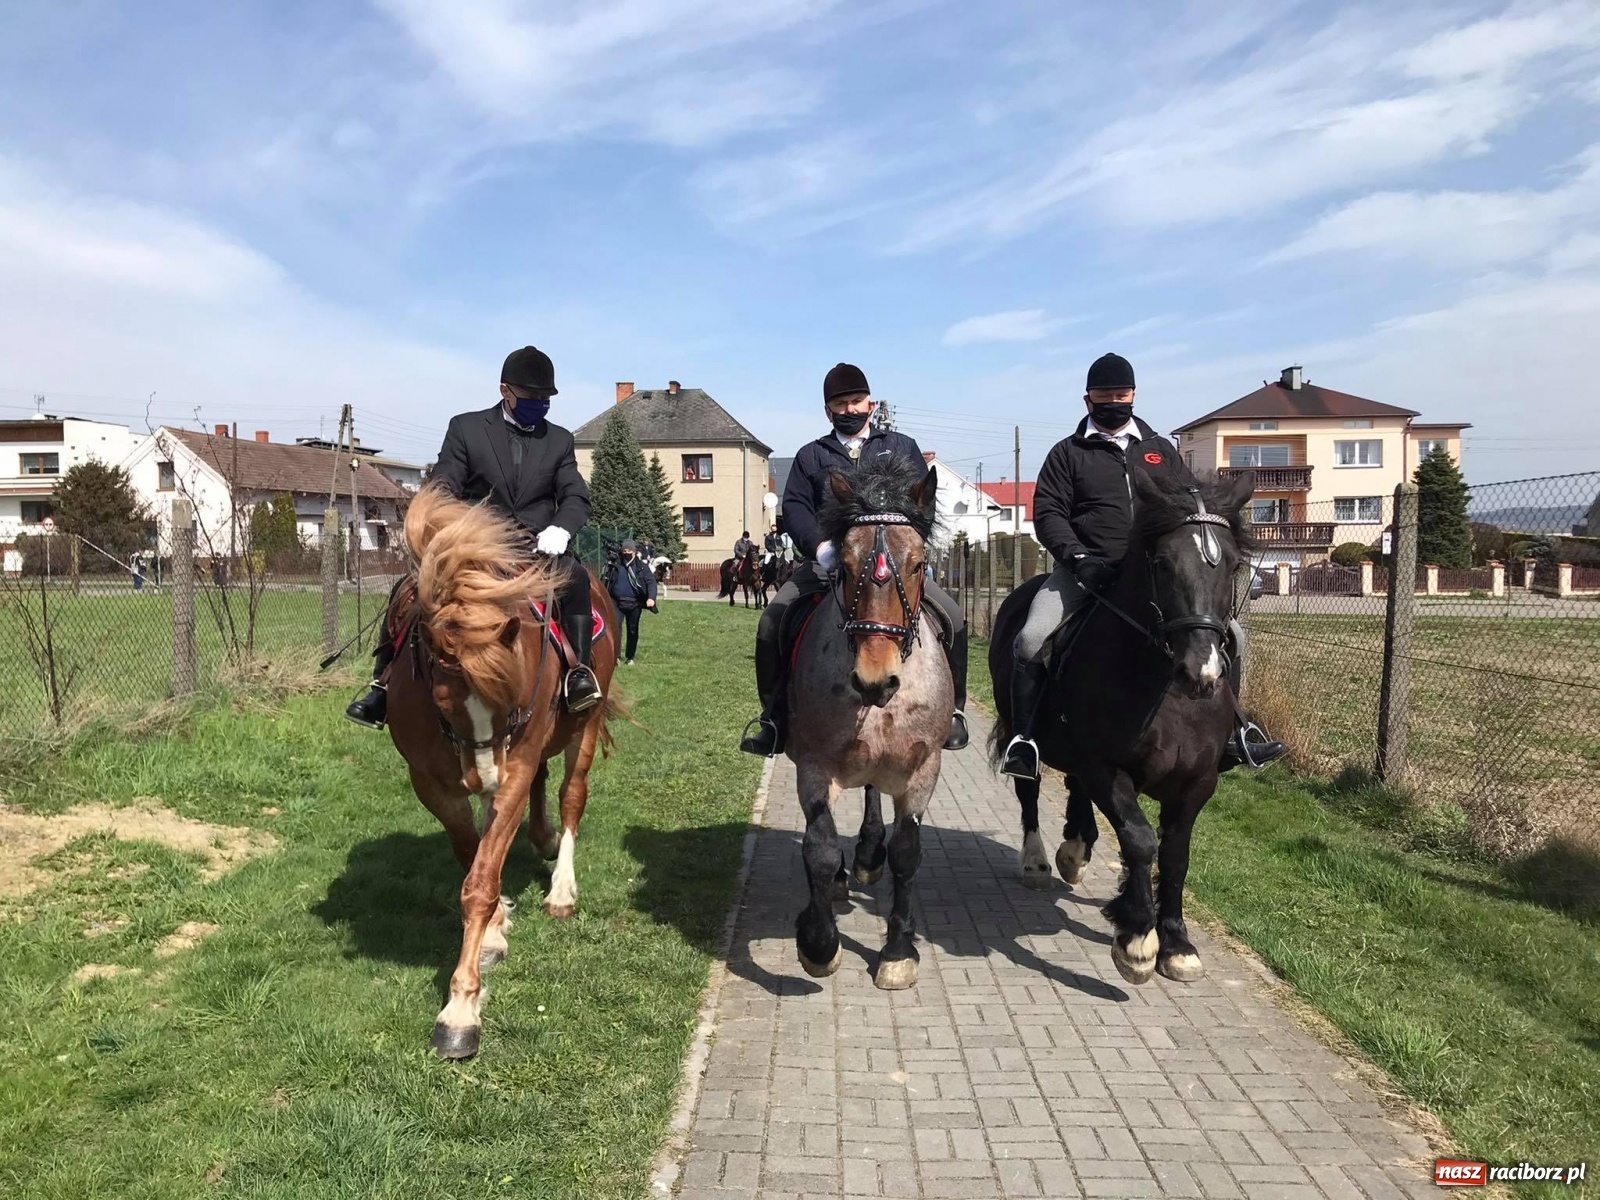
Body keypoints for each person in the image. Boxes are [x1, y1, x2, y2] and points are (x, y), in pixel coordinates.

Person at [998, 352, 1285, 780]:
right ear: (1088, 400)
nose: (1114, 401)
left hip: (1156, 574)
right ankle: (1025, 740)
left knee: (1233, 637)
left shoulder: (1159, 450)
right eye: (1104, 395)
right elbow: (1049, 513)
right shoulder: (1068, 453)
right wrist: (1078, 559)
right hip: (1086, 571)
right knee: (1032, 637)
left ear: (1133, 395)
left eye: (1121, 394)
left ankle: (1232, 735)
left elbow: (1190, 506)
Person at [344, 344, 603, 727]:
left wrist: (561, 527)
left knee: (578, 578)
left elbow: (574, 493)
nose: (540, 405)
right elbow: (445, 482)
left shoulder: (560, 440)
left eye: (546, 399)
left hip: (538, 546)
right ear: (505, 391)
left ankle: (577, 674)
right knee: (408, 588)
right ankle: (381, 686)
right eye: (532, 398)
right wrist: (444, 522)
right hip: (479, 548)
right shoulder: (466, 429)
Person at [740, 362, 970, 757]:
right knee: (772, 620)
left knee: (953, 616)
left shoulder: (900, 447)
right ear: (828, 411)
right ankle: (774, 718)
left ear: (871, 403)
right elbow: (794, 506)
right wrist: (821, 547)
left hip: (895, 567)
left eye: (856, 401)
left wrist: (912, 548)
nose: (850, 409)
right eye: (840, 404)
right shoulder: (811, 455)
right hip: (830, 562)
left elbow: (921, 499)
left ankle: (954, 712)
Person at [608, 538, 658, 665]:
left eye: (629, 550)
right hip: (616, 602)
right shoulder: (615, 565)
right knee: (616, 629)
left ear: (635, 552)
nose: (627, 552)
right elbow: (606, 580)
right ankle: (616, 657)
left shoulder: (642, 567)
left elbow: (651, 582)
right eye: (624, 550)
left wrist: (651, 598)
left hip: (635, 603)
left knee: (632, 629)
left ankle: (630, 657)